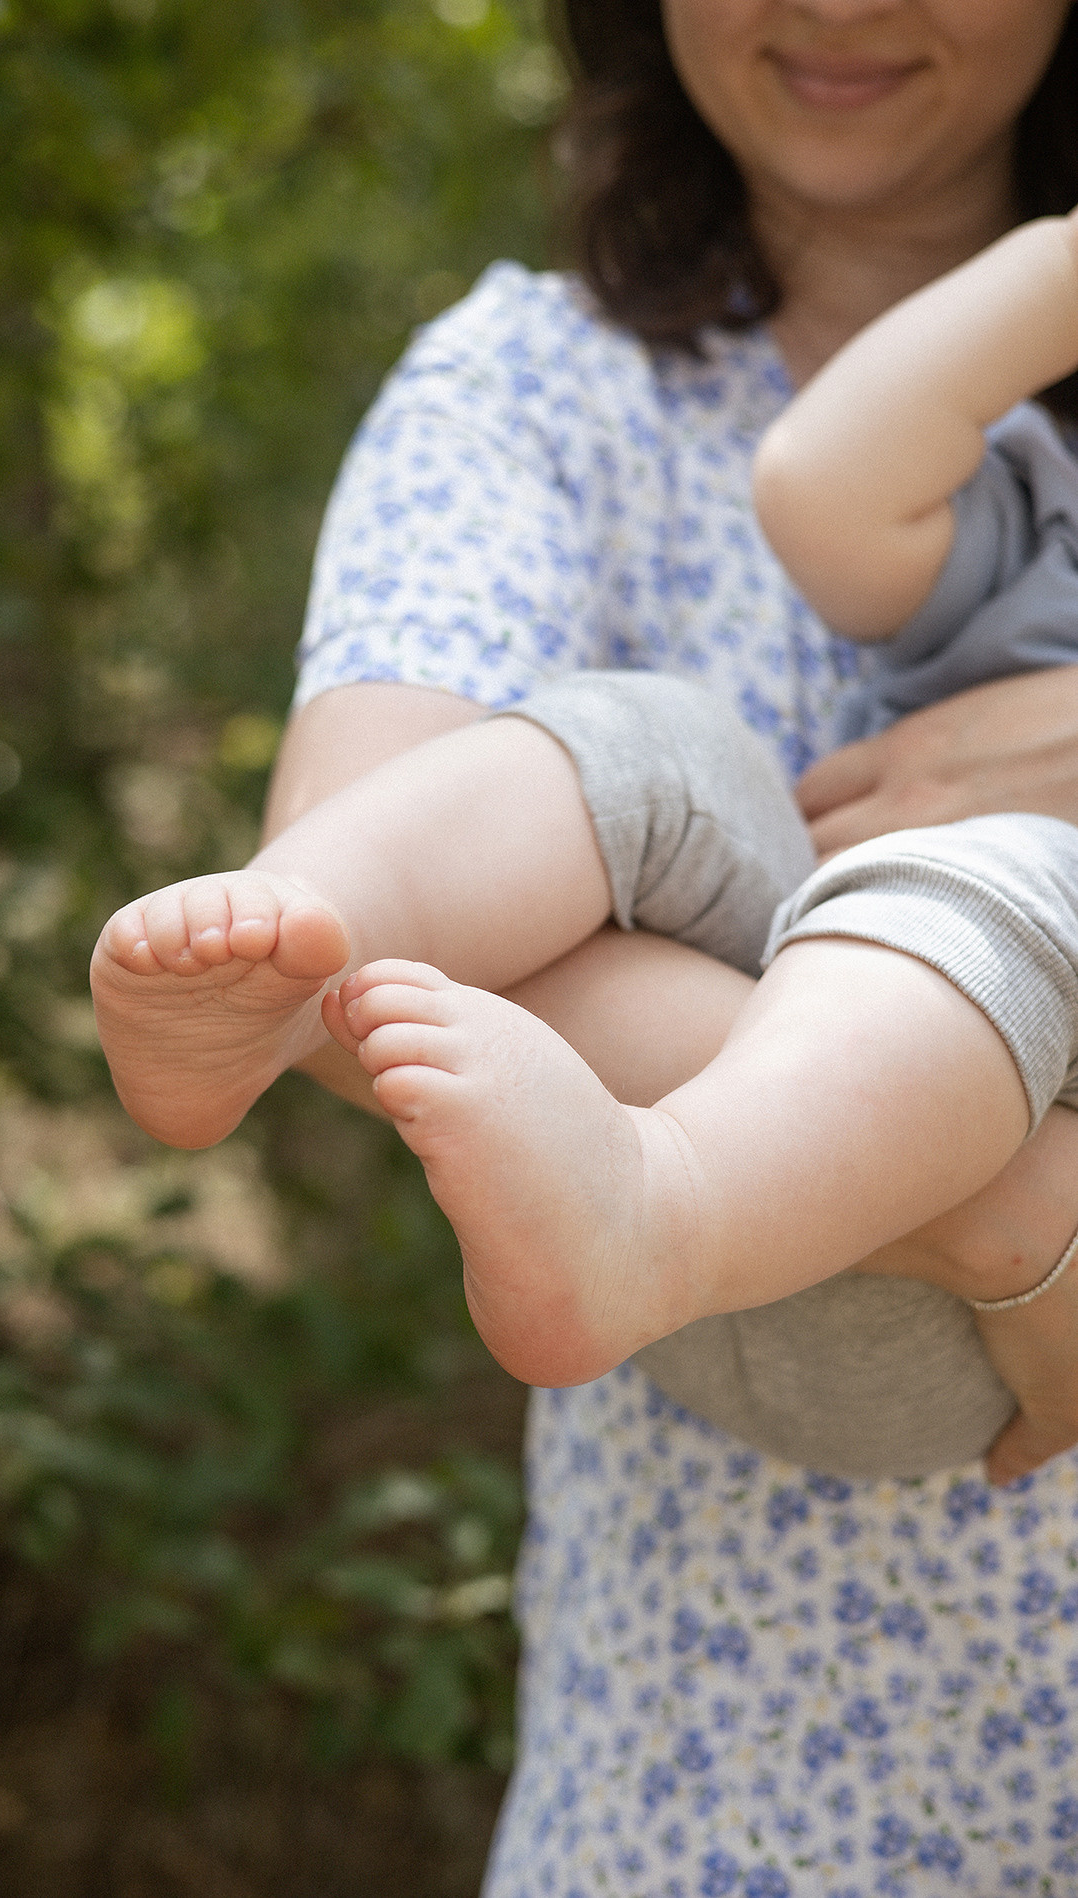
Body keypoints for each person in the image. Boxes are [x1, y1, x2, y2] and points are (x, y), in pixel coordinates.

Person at [93, 0, 1078, 1885]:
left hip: (939, 1405)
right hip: (742, 1744)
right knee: (653, 755)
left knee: (987, 885)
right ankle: (490, 1091)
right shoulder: (541, 391)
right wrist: (1026, 1213)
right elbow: (821, 487)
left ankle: (671, 1185)